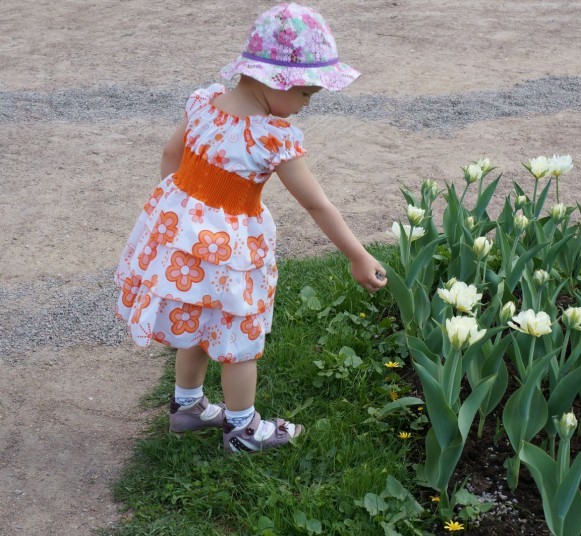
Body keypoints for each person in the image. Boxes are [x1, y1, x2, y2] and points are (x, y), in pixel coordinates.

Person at [114, 2, 386, 454]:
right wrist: (358, 255)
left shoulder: (204, 103)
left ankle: (188, 406)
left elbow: (169, 154)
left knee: (198, 318)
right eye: (305, 95)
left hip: (182, 239)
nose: (304, 106)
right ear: (274, 81)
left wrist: (175, 212)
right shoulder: (271, 136)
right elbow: (317, 204)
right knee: (239, 337)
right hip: (230, 252)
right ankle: (243, 429)